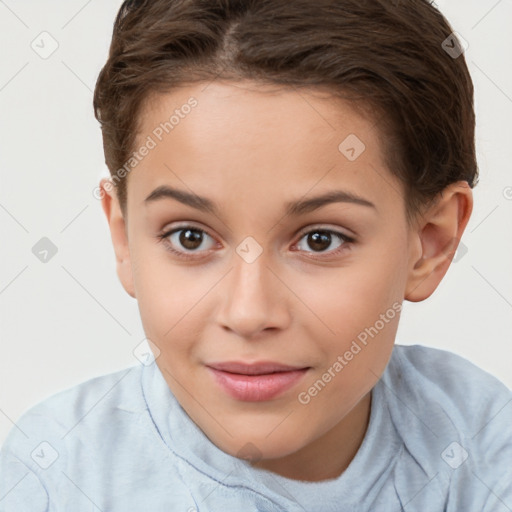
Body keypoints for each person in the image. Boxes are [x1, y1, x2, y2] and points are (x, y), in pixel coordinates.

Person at [1, 0, 511, 510]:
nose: (248, 313)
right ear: (124, 236)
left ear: (430, 242)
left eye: (320, 239)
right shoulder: (54, 478)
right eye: (190, 237)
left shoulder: (484, 450)